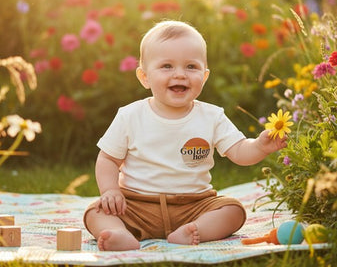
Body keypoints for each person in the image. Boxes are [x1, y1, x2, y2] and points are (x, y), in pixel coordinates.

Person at [83, 20, 287, 251]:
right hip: (136, 205)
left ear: (205, 75)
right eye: (167, 66)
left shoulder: (211, 116)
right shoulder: (130, 116)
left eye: (191, 67)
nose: (180, 75)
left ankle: (195, 230)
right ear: (144, 77)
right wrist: (110, 191)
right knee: (95, 212)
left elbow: (239, 151)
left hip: (194, 205)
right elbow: (108, 158)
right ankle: (119, 233)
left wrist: (260, 147)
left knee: (233, 211)